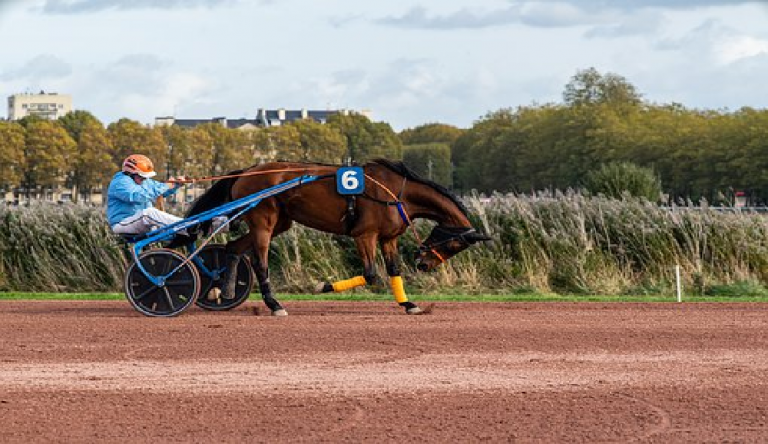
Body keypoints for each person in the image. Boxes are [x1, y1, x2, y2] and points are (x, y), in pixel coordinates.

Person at [107, 154, 187, 236]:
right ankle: (187, 226)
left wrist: (175, 185)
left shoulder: (145, 181)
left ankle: (188, 228)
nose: (144, 179)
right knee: (148, 213)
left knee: (163, 223)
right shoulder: (120, 182)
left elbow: (160, 191)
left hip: (141, 222)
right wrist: (165, 186)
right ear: (130, 173)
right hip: (122, 223)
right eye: (142, 177)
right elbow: (137, 197)